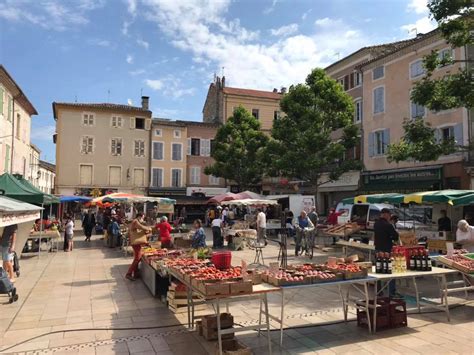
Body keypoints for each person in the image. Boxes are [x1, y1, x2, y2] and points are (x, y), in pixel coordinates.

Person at [374, 208, 399, 297]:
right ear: (386, 215)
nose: (389, 217)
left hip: (378, 250)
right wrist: (391, 237)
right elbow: (396, 236)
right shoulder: (388, 225)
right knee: (390, 270)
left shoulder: (376, 224)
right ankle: (391, 292)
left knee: (379, 269)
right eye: (389, 215)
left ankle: (379, 291)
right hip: (387, 251)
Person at [126, 213, 152, 281]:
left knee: (138, 257)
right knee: (137, 258)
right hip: (135, 243)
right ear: (139, 217)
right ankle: (128, 273)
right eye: (142, 217)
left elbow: (140, 229)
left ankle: (136, 273)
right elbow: (141, 227)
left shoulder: (135, 222)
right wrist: (148, 228)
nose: (142, 219)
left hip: (136, 243)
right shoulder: (135, 221)